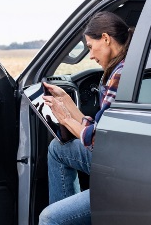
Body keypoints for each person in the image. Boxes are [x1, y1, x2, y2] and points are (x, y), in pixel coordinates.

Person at [39, 11, 134, 225]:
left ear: (106, 38)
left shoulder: (119, 75)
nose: (90, 55)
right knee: (58, 148)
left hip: (120, 171)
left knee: (49, 218)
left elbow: (98, 139)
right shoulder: (125, 66)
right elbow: (100, 128)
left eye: (90, 47)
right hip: (118, 157)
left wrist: (65, 119)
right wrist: (67, 101)